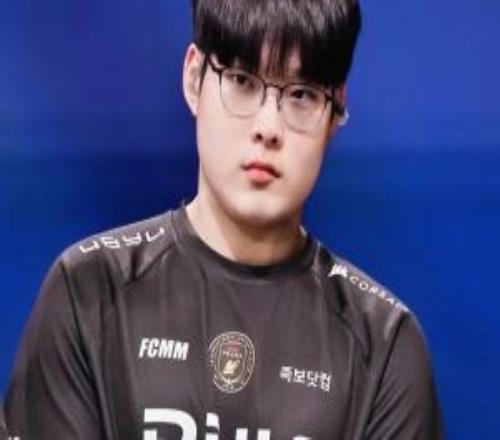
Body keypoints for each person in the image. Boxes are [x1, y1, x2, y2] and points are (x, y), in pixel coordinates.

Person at [4, 0, 443, 438]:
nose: (267, 127)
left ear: (336, 110)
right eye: (241, 80)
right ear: (194, 78)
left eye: (302, 94)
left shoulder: (384, 346)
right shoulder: (87, 294)